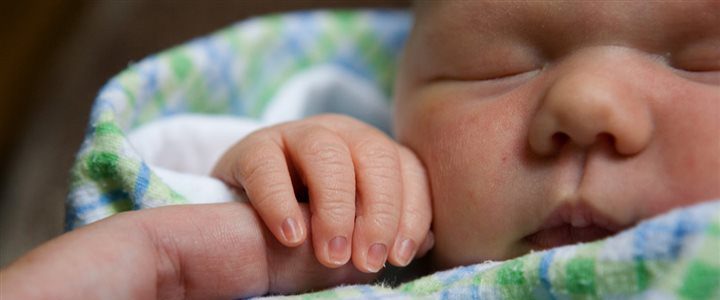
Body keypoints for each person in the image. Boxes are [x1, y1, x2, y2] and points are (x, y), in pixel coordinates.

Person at [2, 1, 718, 299]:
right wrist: (300, 193)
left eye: (703, 62)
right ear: (398, 99)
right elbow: (156, 260)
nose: (587, 104)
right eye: (497, 66)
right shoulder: (363, 253)